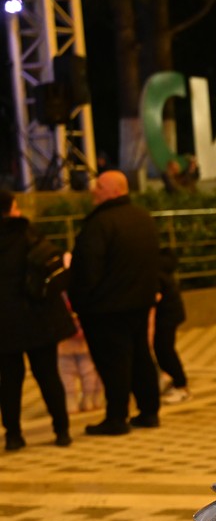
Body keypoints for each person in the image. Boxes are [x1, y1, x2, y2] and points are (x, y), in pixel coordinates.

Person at [68, 171, 162, 435]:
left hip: (106, 309)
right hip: (139, 302)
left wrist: (80, 302)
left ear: (116, 190)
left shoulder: (100, 223)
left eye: (99, 186)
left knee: (113, 364)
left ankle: (117, 417)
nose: (94, 190)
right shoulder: (142, 218)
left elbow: (88, 268)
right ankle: (149, 411)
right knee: (141, 356)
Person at [0, 190, 75, 449]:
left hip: (4, 324)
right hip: (38, 317)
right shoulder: (28, 234)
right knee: (48, 374)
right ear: (10, 210)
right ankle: (62, 430)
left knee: (9, 380)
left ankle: (13, 435)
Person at [154, 247, 191, 403]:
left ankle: (181, 387)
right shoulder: (160, 265)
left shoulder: (153, 270)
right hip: (170, 314)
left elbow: (155, 297)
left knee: (165, 350)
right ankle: (171, 380)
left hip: (166, 316)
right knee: (162, 349)